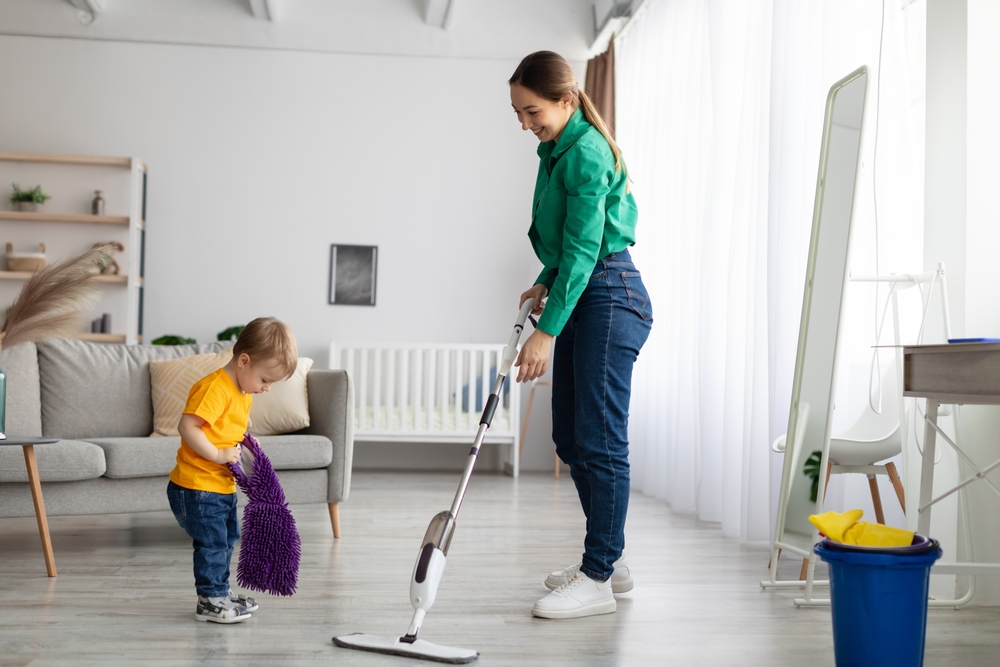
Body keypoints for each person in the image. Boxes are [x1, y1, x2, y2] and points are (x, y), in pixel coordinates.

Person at [509, 51, 653, 620]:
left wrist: (545, 333)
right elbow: (569, 240)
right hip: (585, 290)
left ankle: (596, 576)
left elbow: (589, 248)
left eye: (532, 111)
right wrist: (545, 280)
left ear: (566, 101)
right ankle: (609, 563)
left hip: (611, 297)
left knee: (600, 439)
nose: (525, 124)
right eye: (519, 113)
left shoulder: (587, 152)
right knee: (570, 437)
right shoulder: (556, 148)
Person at [166, 317, 298, 623]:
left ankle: (220, 591)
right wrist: (216, 453)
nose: (266, 388)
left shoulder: (242, 392)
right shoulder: (215, 388)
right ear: (243, 361)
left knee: (226, 538)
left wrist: (246, 445)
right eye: (266, 380)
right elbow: (188, 426)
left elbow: (228, 430)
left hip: (219, 485)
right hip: (197, 486)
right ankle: (209, 599)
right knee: (212, 542)